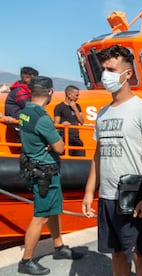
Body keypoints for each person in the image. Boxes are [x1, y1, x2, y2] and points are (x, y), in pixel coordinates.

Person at [81, 45, 142, 276]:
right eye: (103, 69)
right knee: (116, 252)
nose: (105, 74)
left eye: (111, 69)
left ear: (127, 74)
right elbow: (98, 155)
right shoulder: (103, 113)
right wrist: (89, 192)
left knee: (139, 252)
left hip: (132, 195)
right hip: (107, 195)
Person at [18, 76, 83, 275]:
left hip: (36, 167)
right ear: (50, 92)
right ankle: (26, 260)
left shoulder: (26, 112)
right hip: (45, 170)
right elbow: (60, 147)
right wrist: (53, 142)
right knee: (41, 216)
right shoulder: (42, 117)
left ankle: (58, 246)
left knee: (54, 210)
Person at [53, 85, 85, 156]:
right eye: (76, 95)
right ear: (69, 95)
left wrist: (75, 109)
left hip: (75, 138)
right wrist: (62, 124)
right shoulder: (59, 107)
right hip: (64, 138)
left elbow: (82, 121)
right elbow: (56, 124)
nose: (77, 97)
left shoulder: (77, 106)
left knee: (80, 157)